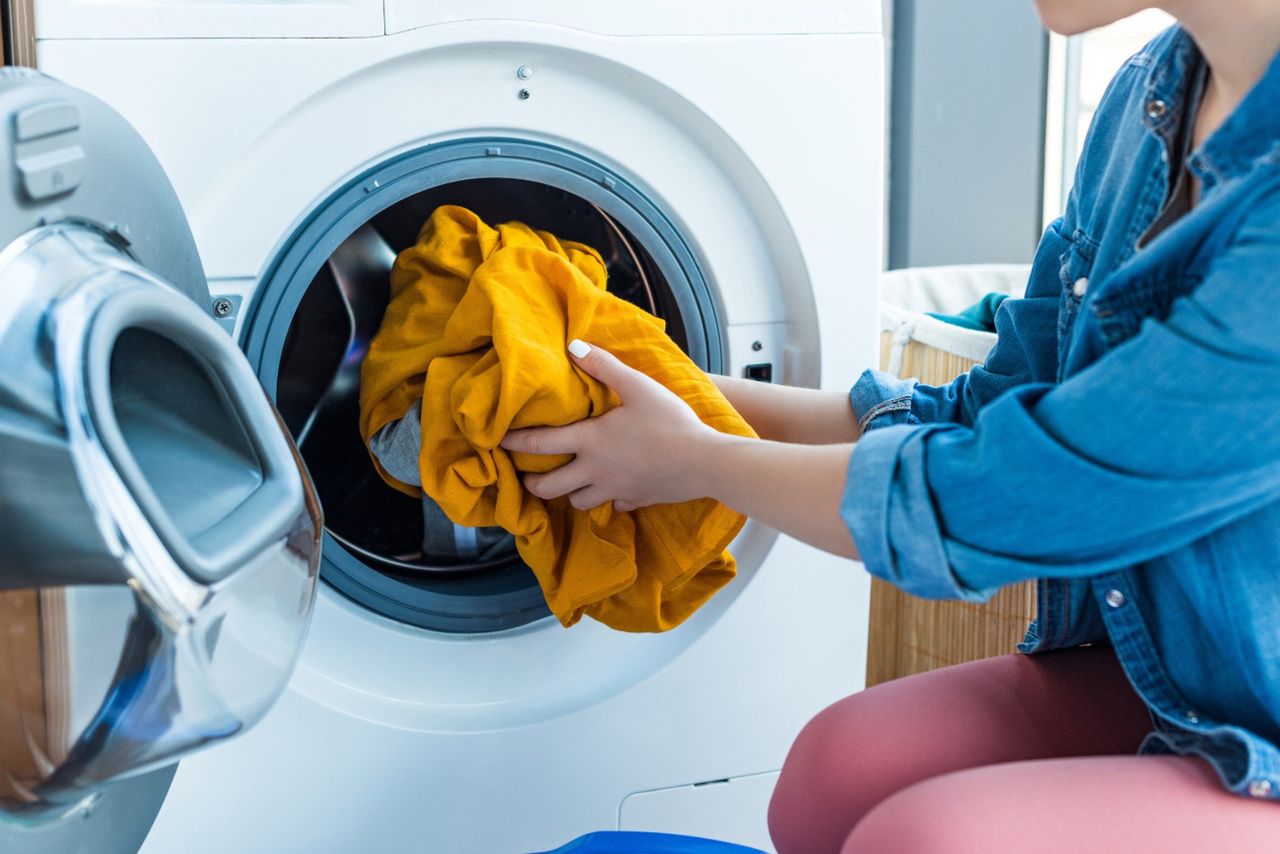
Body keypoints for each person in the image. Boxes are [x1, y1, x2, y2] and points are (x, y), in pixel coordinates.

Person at [501, 0, 1280, 850]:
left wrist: (694, 461)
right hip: (1198, 668)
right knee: (838, 767)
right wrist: (674, 394)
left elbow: (1009, 498)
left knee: (928, 839)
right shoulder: (1151, 95)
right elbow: (989, 414)